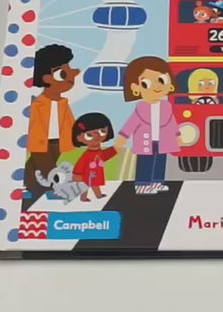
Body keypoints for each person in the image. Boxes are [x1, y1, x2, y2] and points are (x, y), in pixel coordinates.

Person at [115, 56, 179, 194]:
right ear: (135, 88)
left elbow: (171, 122)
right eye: (146, 83)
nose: (157, 86)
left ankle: (157, 182)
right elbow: (131, 124)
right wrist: (122, 137)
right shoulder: (141, 107)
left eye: (162, 80)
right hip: (146, 141)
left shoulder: (166, 106)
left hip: (163, 141)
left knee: (160, 162)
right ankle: (142, 184)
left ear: (170, 84)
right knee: (145, 162)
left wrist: (177, 136)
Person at [24, 44, 78, 201]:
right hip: (40, 141)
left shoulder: (63, 103)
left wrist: (75, 136)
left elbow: (70, 122)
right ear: (46, 78)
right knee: (47, 166)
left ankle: (28, 184)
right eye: (63, 74)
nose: (71, 77)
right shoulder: (38, 104)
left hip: (58, 140)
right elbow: (33, 124)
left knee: (36, 164)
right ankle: (53, 188)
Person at [70, 112, 117, 202]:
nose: (97, 136)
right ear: (79, 138)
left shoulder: (98, 151)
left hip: (95, 173)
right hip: (86, 175)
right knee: (85, 185)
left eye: (102, 131)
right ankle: (83, 198)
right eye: (89, 135)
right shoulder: (87, 155)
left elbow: (103, 156)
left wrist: (115, 149)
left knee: (95, 184)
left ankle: (98, 195)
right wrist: (77, 175)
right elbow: (80, 165)